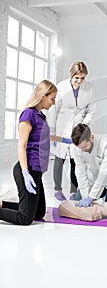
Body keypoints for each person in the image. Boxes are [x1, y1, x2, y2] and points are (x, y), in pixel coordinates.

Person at [0, 80, 69, 225]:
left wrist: (66, 140)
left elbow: (43, 136)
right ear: (43, 96)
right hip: (27, 170)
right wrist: (25, 173)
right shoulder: (28, 115)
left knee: (39, 212)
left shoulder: (40, 115)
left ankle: (2, 204)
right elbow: (22, 145)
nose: (54, 102)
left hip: (36, 172)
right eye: (52, 98)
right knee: (25, 219)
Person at [47, 61, 96, 201]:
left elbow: (91, 110)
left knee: (76, 159)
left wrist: (83, 127)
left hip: (79, 128)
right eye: (77, 78)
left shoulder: (90, 88)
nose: (79, 81)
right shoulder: (61, 87)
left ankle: (74, 191)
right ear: (71, 76)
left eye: (82, 78)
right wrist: (53, 132)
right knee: (59, 158)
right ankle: (57, 189)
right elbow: (53, 110)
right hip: (61, 127)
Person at [71, 123, 107, 207]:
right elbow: (80, 173)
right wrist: (86, 196)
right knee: (77, 202)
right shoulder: (75, 148)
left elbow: (104, 173)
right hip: (93, 179)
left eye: (85, 146)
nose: (83, 150)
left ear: (91, 137)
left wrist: (91, 197)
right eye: (81, 148)